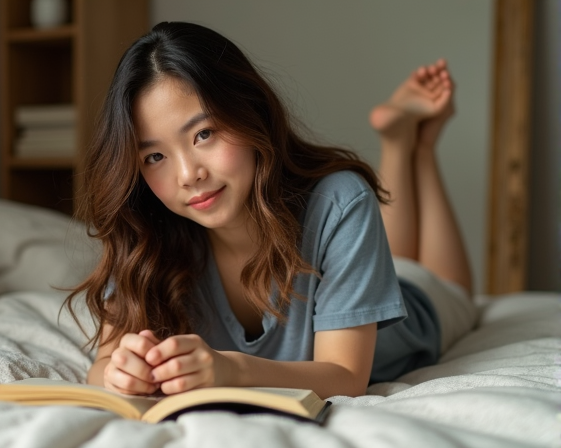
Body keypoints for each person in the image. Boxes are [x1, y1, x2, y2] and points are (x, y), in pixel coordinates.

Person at [64, 22, 478, 399]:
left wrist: (233, 369)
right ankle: (404, 140)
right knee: (395, 257)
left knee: (443, 284)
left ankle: (414, 147)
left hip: (414, 314)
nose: (188, 175)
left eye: (203, 134)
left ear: (250, 111)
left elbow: (347, 376)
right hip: (355, 277)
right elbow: (101, 366)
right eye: (154, 157)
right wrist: (120, 372)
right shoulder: (147, 232)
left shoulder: (339, 202)